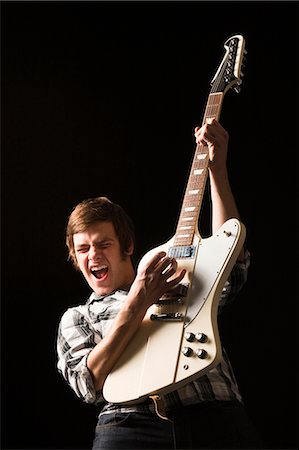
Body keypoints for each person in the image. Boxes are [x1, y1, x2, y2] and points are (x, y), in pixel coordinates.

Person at [57, 119, 262, 449]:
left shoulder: (176, 277)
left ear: (127, 246)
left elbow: (232, 265)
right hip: (130, 426)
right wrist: (139, 300)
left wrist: (217, 170)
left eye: (103, 244)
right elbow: (87, 383)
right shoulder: (77, 318)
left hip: (216, 415)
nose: (92, 255)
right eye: (83, 248)